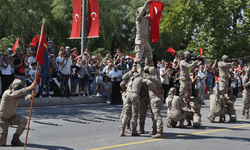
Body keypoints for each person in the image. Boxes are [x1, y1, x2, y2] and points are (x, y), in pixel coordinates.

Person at [0, 79, 37, 146]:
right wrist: (30, 87)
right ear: (13, 86)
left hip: (12, 117)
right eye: (17, 87)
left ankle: (15, 139)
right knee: (1, 143)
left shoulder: (19, 94)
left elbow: (26, 97)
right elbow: (16, 93)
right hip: (2, 120)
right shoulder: (7, 93)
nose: (19, 89)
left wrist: (32, 96)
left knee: (23, 121)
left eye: (20, 87)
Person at [119, 63, 142, 136]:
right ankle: (134, 130)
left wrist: (131, 72)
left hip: (128, 94)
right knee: (134, 114)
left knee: (126, 113)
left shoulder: (130, 77)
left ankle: (122, 129)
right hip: (134, 95)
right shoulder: (140, 77)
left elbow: (123, 77)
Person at [143, 66, 164, 138]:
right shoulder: (158, 78)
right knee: (155, 115)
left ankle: (160, 131)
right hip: (159, 98)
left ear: (150, 73)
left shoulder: (150, 78)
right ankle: (155, 130)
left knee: (157, 116)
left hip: (154, 98)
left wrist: (138, 64)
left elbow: (142, 75)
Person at [134, 0, 153, 66]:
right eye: (143, 10)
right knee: (139, 55)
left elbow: (154, 14)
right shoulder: (138, 19)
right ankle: (136, 68)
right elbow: (141, 13)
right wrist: (146, 3)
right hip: (140, 38)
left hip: (146, 39)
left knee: (150, 55)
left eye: (145, 10)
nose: (144, 11)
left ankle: (147, 68)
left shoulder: (146, 18)